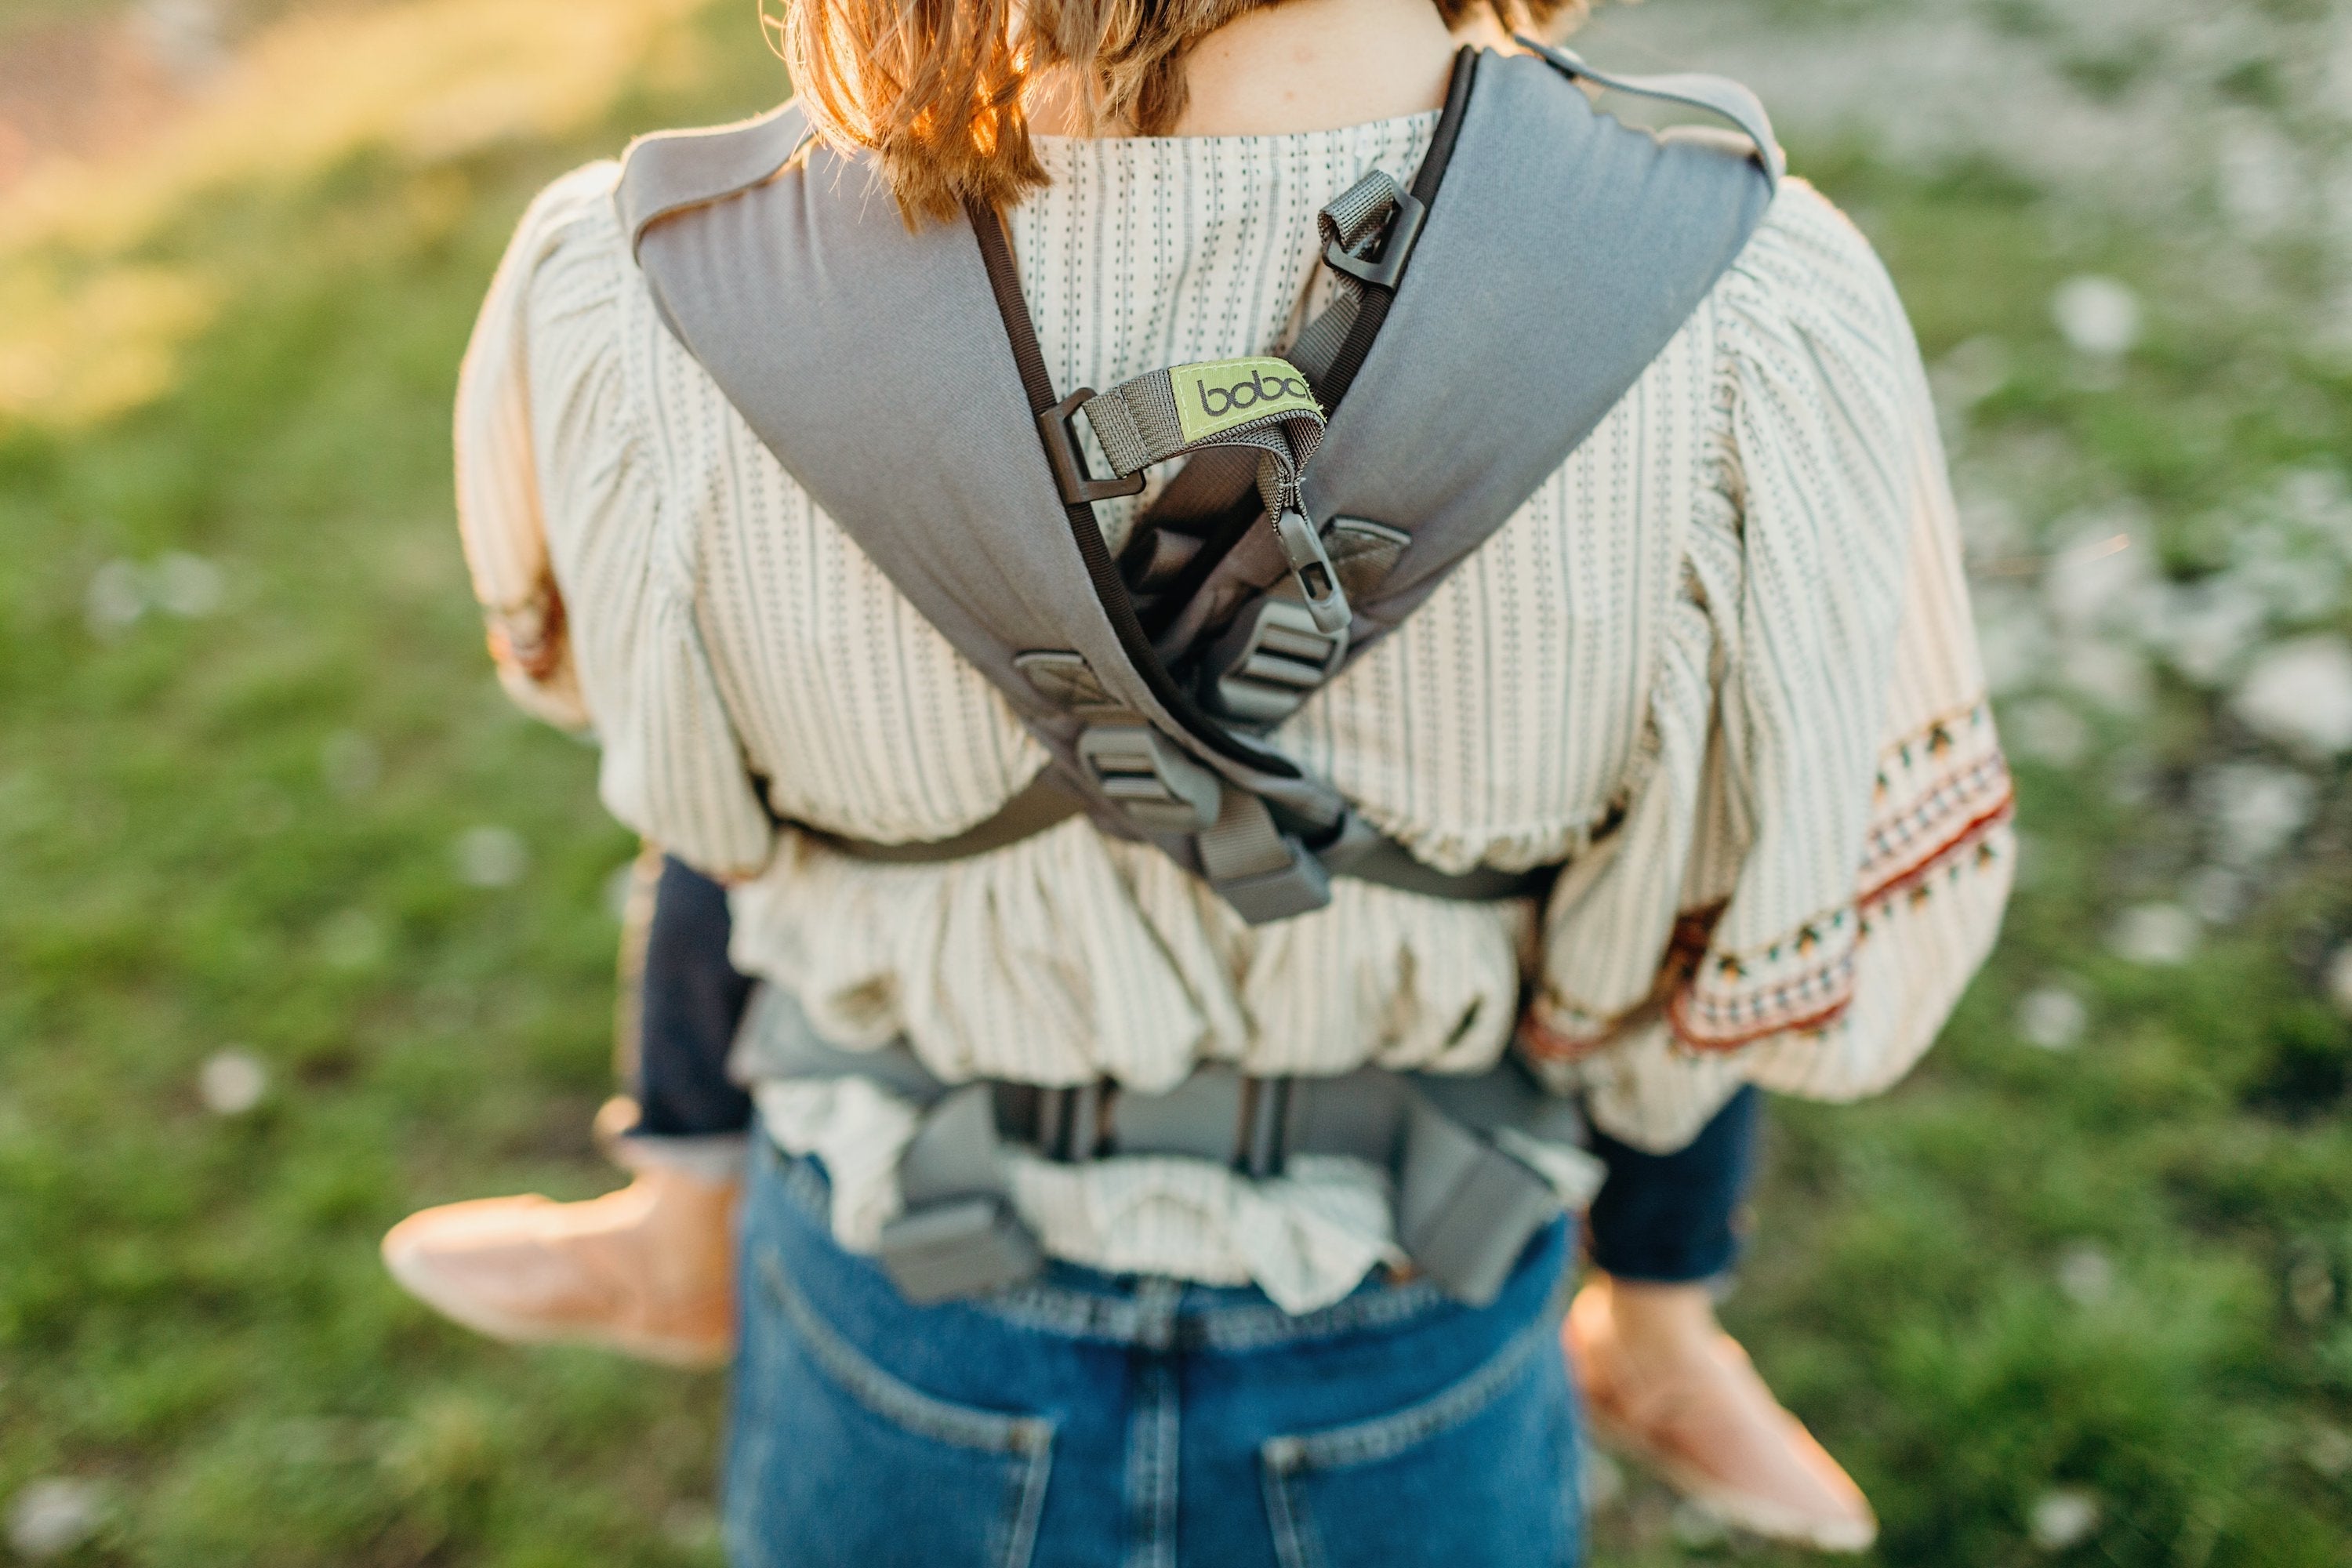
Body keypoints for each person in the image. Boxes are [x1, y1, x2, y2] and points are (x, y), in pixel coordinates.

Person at [401, 0, 2013, 1559]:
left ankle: (678, 1221)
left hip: (897, 1303)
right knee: (1709, 878)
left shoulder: (643, 288)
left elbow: (630, 737)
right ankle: (1665, 1339)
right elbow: (1765, 932)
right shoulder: (1748, 309)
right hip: (1411, 1305)